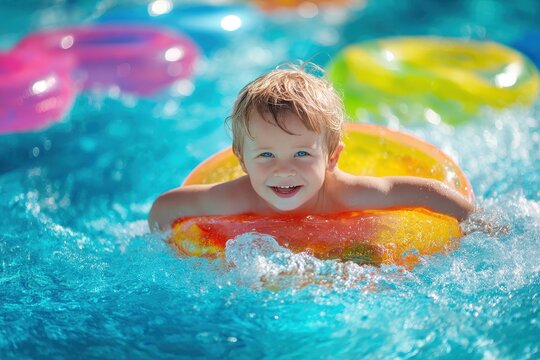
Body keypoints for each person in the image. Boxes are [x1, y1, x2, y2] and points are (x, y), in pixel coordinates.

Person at [148, 64, 475, 231]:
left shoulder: (346, 194)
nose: (283, 169)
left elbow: (421, 192)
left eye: (302, 153)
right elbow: (167, 207)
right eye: (266, 155)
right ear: (242, 161)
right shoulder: (235, 197)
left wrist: (475, 223)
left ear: (332, 157)